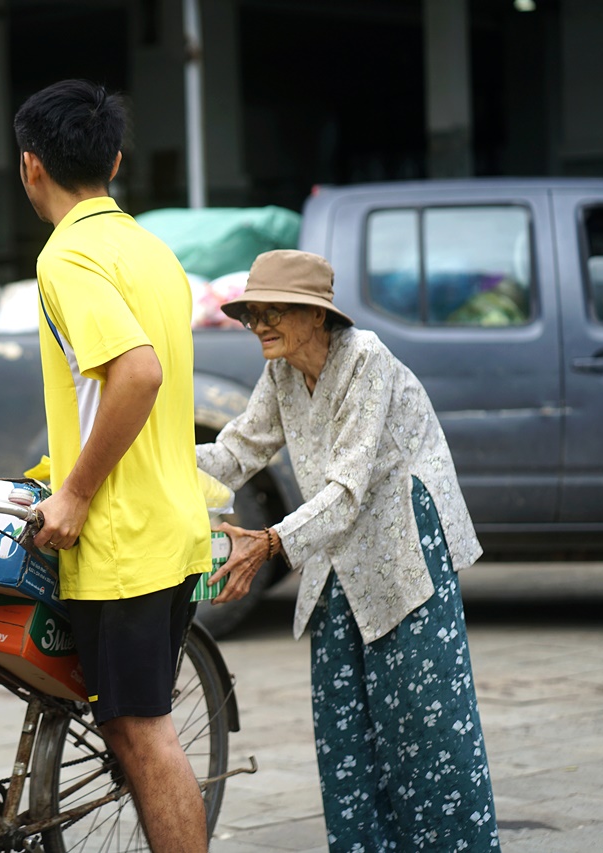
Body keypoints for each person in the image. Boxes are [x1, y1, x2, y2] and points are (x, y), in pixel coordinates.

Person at [197, 249, 501, 851]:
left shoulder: (365, 358)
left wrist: (268, 544)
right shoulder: (283, 369)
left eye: (274, 311)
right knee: (347, 728)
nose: (259, 323)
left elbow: (348, 488)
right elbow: (235, 453)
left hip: (402, 544)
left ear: (317, 316)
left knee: (423, 724)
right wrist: (149, 466)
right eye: (253, 312)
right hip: (336, 542)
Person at [14, 79, 211, 852]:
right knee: (136, 729)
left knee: (141, 734)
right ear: (116, 159)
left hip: (123, 542)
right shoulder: (149, 247)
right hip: (169, 524)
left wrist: (75, 492)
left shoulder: (67, 257)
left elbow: (137, 373)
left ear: (32, 166)